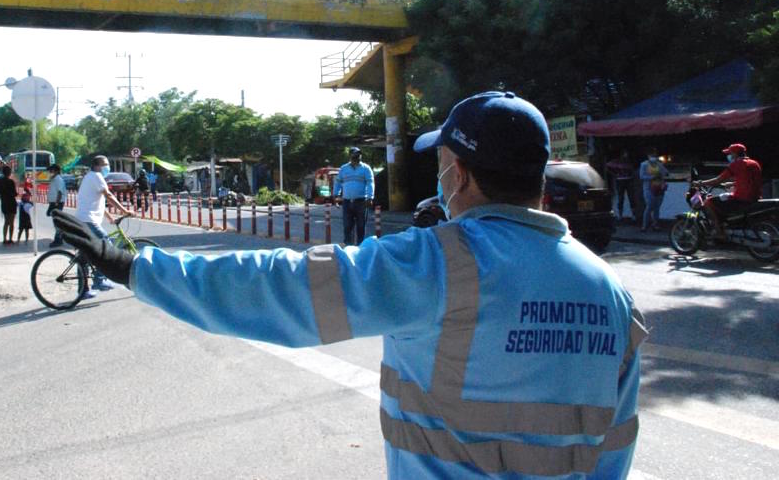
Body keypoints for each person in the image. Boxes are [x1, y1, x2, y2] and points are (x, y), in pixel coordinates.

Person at [52, 90, 646, 479]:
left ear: (458, 173)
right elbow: (616, 447)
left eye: (441, 164)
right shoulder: (611, 292)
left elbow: (282, 287)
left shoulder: (438, 264)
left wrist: (135, 266)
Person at [74, 155, 133, 293]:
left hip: (84, 219)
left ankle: (82, 290)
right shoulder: (96, 176)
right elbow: (108, 196)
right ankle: (99, 280)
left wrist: (110, 217)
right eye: (105, 164)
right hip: (88, 220)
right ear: (97, 166)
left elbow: (96, 202)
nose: (108, 167)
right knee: (105, 244)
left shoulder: (90, 177)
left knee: (84, 255)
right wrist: (124, 210)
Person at [695, 143, 762, 241]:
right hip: (755, 197)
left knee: (709, 202)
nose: (729, 156)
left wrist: (700, 183)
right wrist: (732, 184)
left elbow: (718, 180)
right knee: (724, 199)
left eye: (730, 153)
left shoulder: (736, 164)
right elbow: (749, 180)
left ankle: (719, 232)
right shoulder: (754, 163)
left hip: (741, 198)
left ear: (735, 154)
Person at [333, 146, 374, 246]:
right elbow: (338, 182)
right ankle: (348, 247)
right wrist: (335, 195)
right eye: (356, 154)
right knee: (347, 226)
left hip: (361, 201)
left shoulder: (366, 168)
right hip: (347, 202)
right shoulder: (344, 168)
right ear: (350, 155)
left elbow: (370, 183)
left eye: (359, 154)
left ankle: (360, 247)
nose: (358, 156)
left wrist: (370, 197)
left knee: (361, 226)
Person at [639, 148, 669, 232]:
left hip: (659, 187)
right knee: (649, 206)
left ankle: (655, 224)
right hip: (649, 188)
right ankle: (644, 225)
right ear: (648, 156)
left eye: (655, 155)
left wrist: (663, 171)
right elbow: (641, 176)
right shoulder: (644, 164)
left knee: (657, 207)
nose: (653, 157)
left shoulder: (659, 164)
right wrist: (652, 177)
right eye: (652, 155)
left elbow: (666, 172)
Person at [605, 149, 638, 222]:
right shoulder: (618, 161)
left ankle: (633, 215)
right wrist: (615, 174)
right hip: (621, 180)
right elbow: (607, 166)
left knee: (631, 197)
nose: (626, 155)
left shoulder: (629, 161)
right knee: (621, 198)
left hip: (627, 180)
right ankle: (621, 215)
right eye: (625, 154)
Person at [46, 163, 68, 246]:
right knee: (56, 221)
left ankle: (58, 239)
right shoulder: (54, 179)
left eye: (51, 170)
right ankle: (59, 237)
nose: (50, 172)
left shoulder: (58, 179)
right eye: (50, 170)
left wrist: (56, 203)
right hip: (54, 202)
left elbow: (59, 192)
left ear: (56, 171)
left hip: (57, 203)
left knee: (57, 222)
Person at [0, 165, 18, 245]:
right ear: (9, 173)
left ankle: (4, 239)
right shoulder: (11, 182)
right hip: (12, 202)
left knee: (6, 222)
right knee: (11, 222)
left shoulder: (0, 182)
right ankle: (10, 239)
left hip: (4, 202)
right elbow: (15, 193)